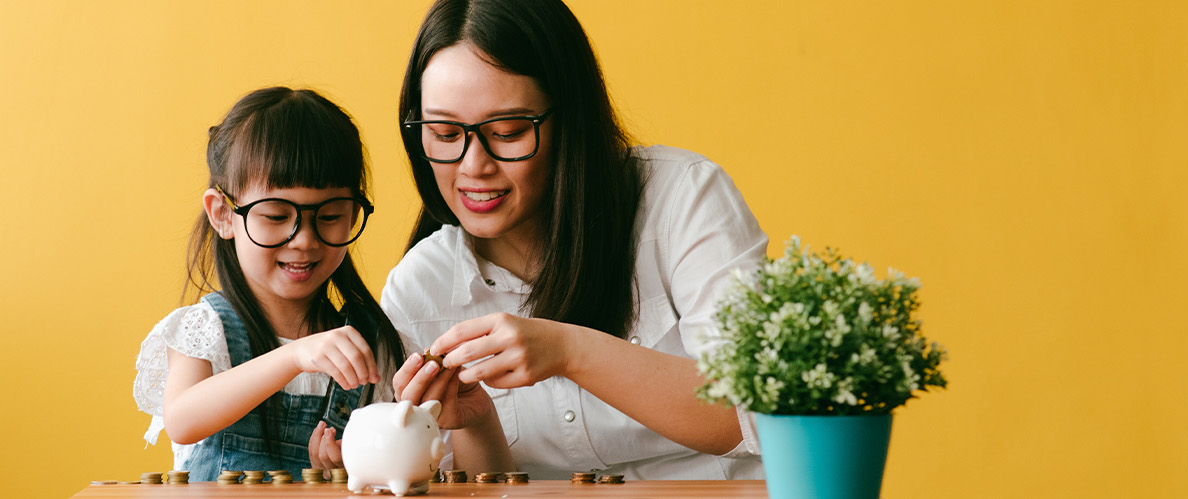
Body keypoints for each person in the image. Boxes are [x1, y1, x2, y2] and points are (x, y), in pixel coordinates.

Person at [382, 0, 769, 480]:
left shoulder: (680, 199)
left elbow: (759, 411)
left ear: (570, 121)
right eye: (442, 132)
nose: (472, 166)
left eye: (508, 131)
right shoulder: (419, 289)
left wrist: (569, 351)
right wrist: (478, 425)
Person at [132, 87, 410, 481]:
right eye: (277, 216)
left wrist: (347, 466)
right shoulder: (208, 329)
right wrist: (294, 356)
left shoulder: (366, 343)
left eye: (329, 215)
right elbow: (182, 419)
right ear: (223, 214)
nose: (304, 240)